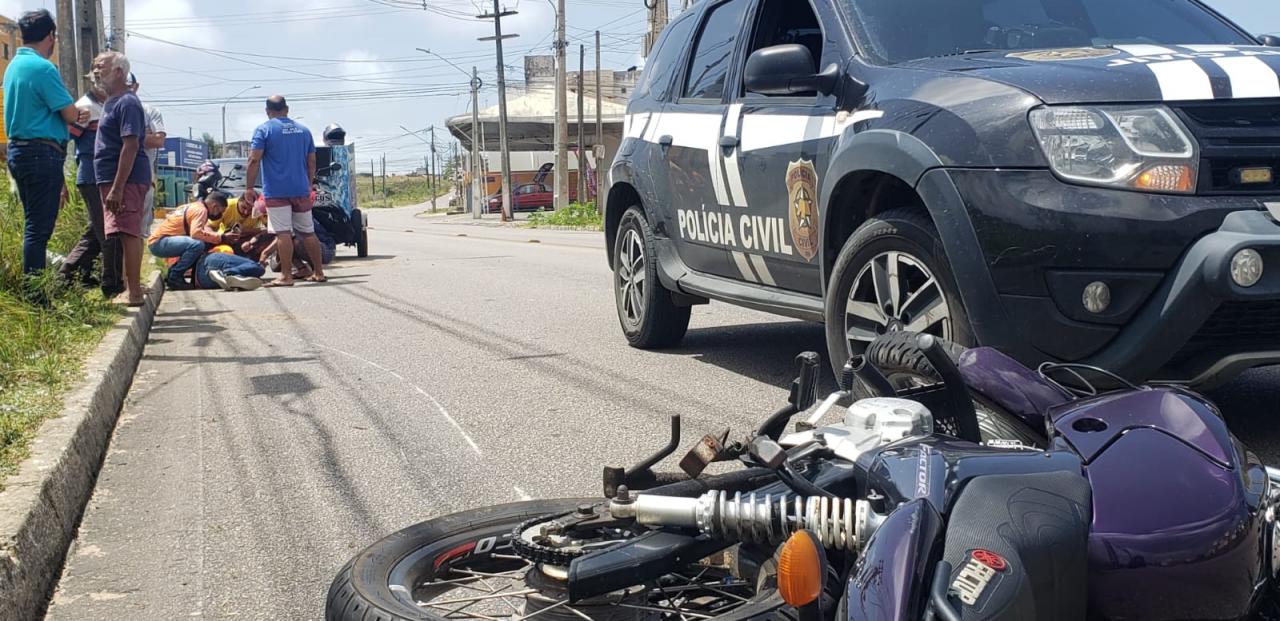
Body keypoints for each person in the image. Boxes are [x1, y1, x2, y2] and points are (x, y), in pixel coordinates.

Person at [3, 9, 89, 275]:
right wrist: (79, 113)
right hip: (41, 152)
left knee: (33, 225)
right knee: (38, 230)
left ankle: (34, 285)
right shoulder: (43, 68)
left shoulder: (14, 66)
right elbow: (69, 114)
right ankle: (35, 291)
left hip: (19, 152)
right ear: (51, 36)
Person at [243, 95, 325, 287]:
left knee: (283, 233)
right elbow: (312, 161)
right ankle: (318, 272)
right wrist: (308, 184)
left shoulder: (263, 130)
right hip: (301, 190)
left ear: (267, 111)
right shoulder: (304, 130)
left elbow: (254, 160)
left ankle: (286, 276)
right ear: (287, 109)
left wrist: (249, 187)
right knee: (308, 232)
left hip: (277, 191)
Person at [92, 50, 150, 306]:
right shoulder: (111, 101)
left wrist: (117, 187)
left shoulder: (127, 102)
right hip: (112, 178)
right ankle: (129, 289)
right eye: (95, 66)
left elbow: (131, 146)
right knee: (122, 232)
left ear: (118, 71)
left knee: (128, 232)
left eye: (101, 66)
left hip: (126, 180)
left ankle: (134, 292)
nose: (96, 71)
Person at [57, 81, 123, 296]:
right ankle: (112, 283)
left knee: (96, 230)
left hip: (102, 176)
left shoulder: (105, 106)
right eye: (98, 79)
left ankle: (69, 275)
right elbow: (63, 139)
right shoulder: (85, 107)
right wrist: (61, 182)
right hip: (93, 177)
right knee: (108, 231)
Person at [147, 191, 239, 289]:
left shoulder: (194, 206)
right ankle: (174, 277)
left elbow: (202, 231)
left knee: (200, 244)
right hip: (160, 242)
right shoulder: (201, 211)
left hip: (159, 241)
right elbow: (195, 233)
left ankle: (173, 274)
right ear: (214, 206)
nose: (220, 215)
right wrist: (221, 237)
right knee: (197, 245)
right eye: (220, 211)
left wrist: (217, 237)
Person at [127, 73, 164, 232]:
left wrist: (130, 136)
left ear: (136, 87)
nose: (125, 91)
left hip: (143, 178)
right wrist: (143, 135)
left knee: (140, 229)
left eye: (128, 86)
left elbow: (158, 141)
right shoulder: (108, 110)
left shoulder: (149, 111)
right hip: (114, 179)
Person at [193, 247, 264, 292]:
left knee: (253, 275)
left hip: (202, 282)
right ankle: (228, 273)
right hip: (213, 258)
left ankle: (228, 276)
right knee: (259, 267)